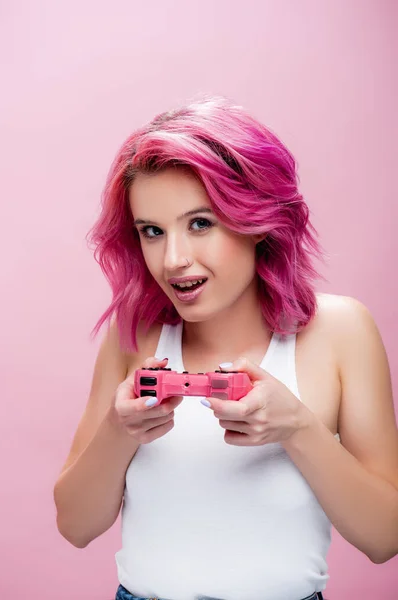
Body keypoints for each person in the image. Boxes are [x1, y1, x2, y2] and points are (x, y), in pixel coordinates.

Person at [53, 96, 398, 600]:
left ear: (256, 218)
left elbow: (384, 539)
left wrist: (297, 427)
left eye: (200, 223)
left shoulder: (341, 331)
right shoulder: (135, 334)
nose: (173, 260)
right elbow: (76, 526)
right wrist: (119, 429)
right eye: (152, 231)